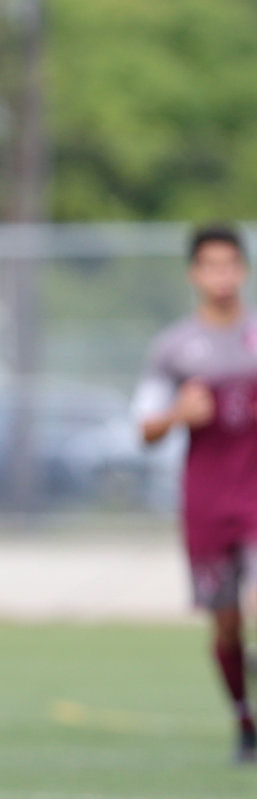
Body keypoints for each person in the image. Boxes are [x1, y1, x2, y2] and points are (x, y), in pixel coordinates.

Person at [135, 224, 257, 763]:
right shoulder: (174, 348)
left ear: (244, 270)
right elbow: (144, 428)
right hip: (207, 504)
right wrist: (178, 414)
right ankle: (244, 723)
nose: (222, 275)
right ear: (195, 274)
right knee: (227, 623)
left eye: (230, 264)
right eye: (211, 265)